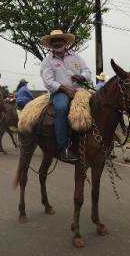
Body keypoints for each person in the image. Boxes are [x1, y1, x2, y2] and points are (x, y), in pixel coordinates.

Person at [40, 29, 92, 163]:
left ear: (65, 42)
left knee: (97, 104)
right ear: (51, 44)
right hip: (60, 92)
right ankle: (63, 148)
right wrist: (64, 88)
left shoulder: (75, 57)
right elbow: (48, 81)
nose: (57, 43)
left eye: (59, 40)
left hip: (79, 90)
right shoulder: (47, 61)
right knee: (62, 107)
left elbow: (87, 71)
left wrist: (82, 76)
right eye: (54, 41)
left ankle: (99, 141)